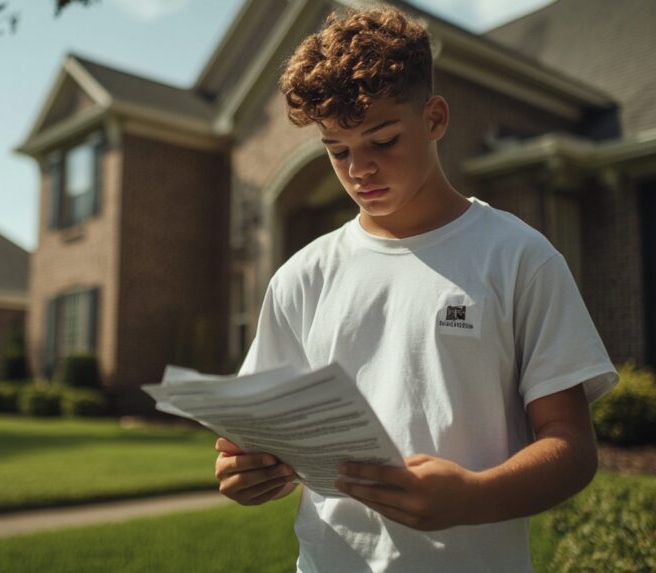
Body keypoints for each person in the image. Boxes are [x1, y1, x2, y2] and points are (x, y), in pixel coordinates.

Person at [213, 5, 618, 572]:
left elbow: (572, 449)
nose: (360, 170)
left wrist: (473, 498)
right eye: (337, 150)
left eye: (382, 140)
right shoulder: (301, 278)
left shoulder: (517, 257)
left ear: (434, 118)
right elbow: (264, 441)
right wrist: (248, 473)